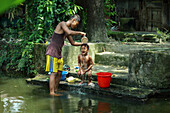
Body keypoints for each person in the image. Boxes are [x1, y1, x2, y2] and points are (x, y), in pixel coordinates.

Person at [45, 14, 86, 96]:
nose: (75, 26)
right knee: (53, 73)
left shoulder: (67, 31)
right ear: (73, 20)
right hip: (52, 52)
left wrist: (83, 44)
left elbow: (73, 43)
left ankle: (56, 89)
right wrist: (80, 33)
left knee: (60, 72)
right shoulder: (62, 24)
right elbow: (69, 32)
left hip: (59, 53)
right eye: (76, 24)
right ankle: (52, 92)